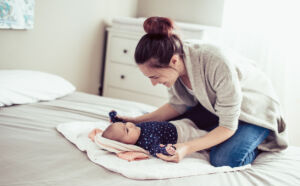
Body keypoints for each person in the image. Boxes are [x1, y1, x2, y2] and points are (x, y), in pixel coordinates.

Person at [113, 16, 288, 167]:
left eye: (155, 77)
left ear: (174, 61)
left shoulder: (216, 62)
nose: (153, 83)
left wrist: (187, 147)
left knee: (223, 159)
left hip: (253, 109)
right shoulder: (176, 63)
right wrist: (136, 120)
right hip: (217, 107)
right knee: (164, 127)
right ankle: (220, 135)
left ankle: (256, 140)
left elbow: (227, 125)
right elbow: (178, 105)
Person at [88, 111, 206, 157]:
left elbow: (121, 124)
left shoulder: (134, 129)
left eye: (126, 125)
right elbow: (155, 149)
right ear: (127, 144)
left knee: (196, 119)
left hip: (177, 124)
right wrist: (165, 149)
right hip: (182, 134)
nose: (129, 125)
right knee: (203, 136)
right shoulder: (145, 142)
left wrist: (115, 119)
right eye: (127, 130)